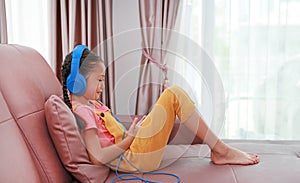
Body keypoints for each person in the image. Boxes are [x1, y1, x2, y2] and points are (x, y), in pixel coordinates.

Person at [61, 45, 259, 173]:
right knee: (173, 94)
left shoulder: (91, 105)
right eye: (100, 80)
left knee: (171, 98)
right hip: (134, 159)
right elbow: (97, 158)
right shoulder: (82, 112)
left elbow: (112, 135)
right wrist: (130, 138)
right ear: (77, 81)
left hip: (134, 148)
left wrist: (138, 129)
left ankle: (220, 149)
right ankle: (221, 150)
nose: (103, 86)